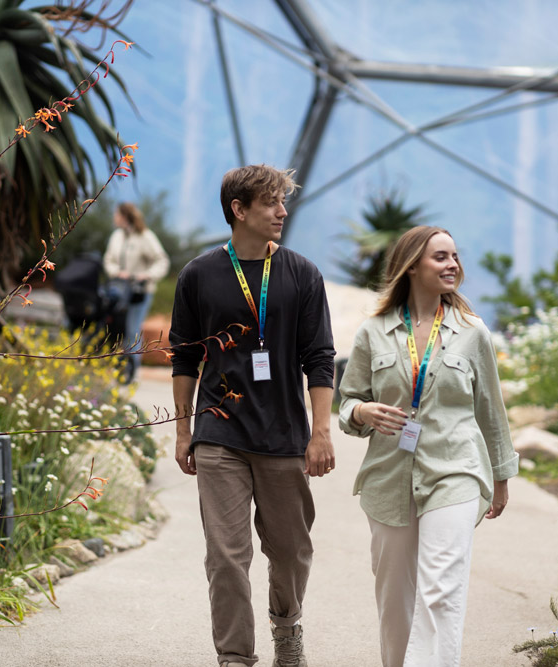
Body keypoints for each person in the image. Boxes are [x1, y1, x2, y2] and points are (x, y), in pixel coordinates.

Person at [170, 165, 337, 667]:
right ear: (239, 210)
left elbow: (320, 358)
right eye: (271, 203)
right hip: (219, 434)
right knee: (226, 556)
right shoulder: (199, 274)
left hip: (285, 435)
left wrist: (320, 432)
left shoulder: (302, 273)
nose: (282, 212)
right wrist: (184, 432)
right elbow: (184, 358)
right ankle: (235, 657)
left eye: (283, 202)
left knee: (290, 552)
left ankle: (286, 628)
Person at [338, 226, 518, 667]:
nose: (453, 264)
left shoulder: (473, 333)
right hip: (388, 475)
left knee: (440, 589)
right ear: (412, 264)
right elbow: (349, 401)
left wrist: (501, 476)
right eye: (441, 257)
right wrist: (364, 413)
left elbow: (490, 410)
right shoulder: (372, 332)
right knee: (394, 595)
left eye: (455, 256)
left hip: (455, 469)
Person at [102, 201, 170, 382]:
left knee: (133, 329)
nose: (114, 218)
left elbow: (162, 261)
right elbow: (109, 259)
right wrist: (117, 273)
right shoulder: (117, 236)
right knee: (117, 328)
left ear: (124, 216)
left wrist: (146, 275)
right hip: (119, 290)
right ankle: (118, 365)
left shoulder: (145, 236)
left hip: (140, 292)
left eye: (117, 214)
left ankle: (131, 371)